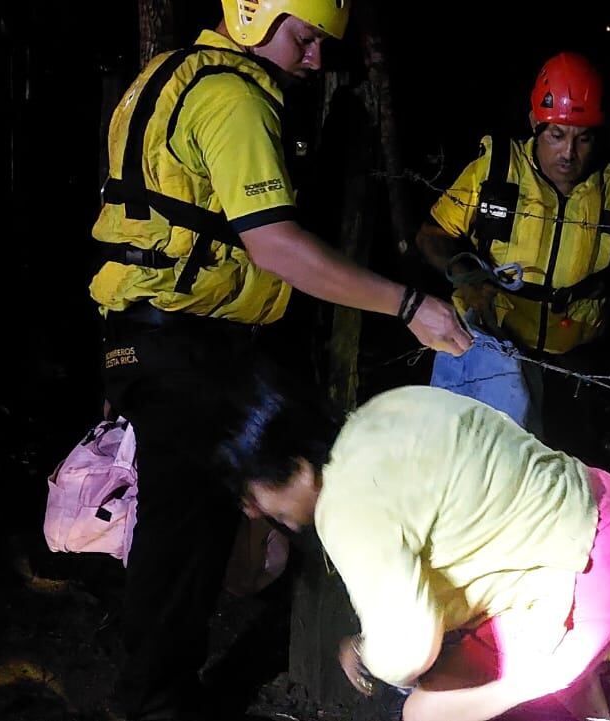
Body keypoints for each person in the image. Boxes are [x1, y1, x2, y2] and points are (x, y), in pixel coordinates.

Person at [86, 1, 470, 718]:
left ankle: (163, 689)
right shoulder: (233, 98)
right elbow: (276, 246)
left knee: (184, 529)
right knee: (187, 537)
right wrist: (409, 306)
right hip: (185, 343)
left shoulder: (164, 77)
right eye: (305, 37)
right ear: (254, 14)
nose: (316, 58)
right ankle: (154, 702)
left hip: (147, 334)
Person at [218, 382, 610, 721]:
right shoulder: (383, 411)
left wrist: (365, 651)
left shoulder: (345, 506)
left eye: (253, 495)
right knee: (502, 650)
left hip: (590, 575)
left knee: (426, 710)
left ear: (295, 469)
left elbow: (408, 650)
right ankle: (587, 702)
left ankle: (543, 679)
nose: (256, 513)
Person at [414, 52, 610, 456]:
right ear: (534, 125)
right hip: (494, 347)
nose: (569, 153)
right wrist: (465, 274)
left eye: (583, 137)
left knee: (557, 469)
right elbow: (431, 235)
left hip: (574, 360)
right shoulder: (497, 171)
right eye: (556, 135)